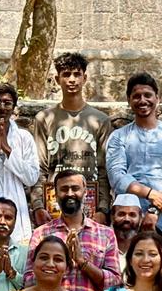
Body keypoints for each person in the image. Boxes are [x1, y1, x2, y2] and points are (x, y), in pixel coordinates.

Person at [30, 52, 112, 225]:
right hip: (53, 201)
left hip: (90, 201)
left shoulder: (100, 120)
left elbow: (104, 171)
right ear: (57, 78)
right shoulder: (44, 118)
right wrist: (38, 205)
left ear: (85, 77)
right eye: (66, 74)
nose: (72, 79)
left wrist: (103, 208)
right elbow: (39, 167)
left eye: (77, 74)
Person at [106, 72, 162, 236]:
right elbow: (117, 177)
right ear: (129, 101)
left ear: (157, 98)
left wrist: (154, 210)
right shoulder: (119, 136)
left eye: (148, 95)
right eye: (136, 96)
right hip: (127, 215)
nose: (142, 100)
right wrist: (150, 194)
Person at [24, 168, 121, 291]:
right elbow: (28, 281)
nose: (70, 193)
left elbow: (114, 282)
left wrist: (82, 262)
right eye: (64, 189)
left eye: (75, 188)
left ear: (85, 192)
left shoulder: (105, 234)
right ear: (55, 194)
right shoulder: (41, 233)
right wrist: (58, 267)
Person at [0, 83, 38, 244]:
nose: (2, 107)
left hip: (16, 203)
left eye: (7, 103)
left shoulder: (24, 137)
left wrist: (9, 151)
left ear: (14, 107)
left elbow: (31, 177)